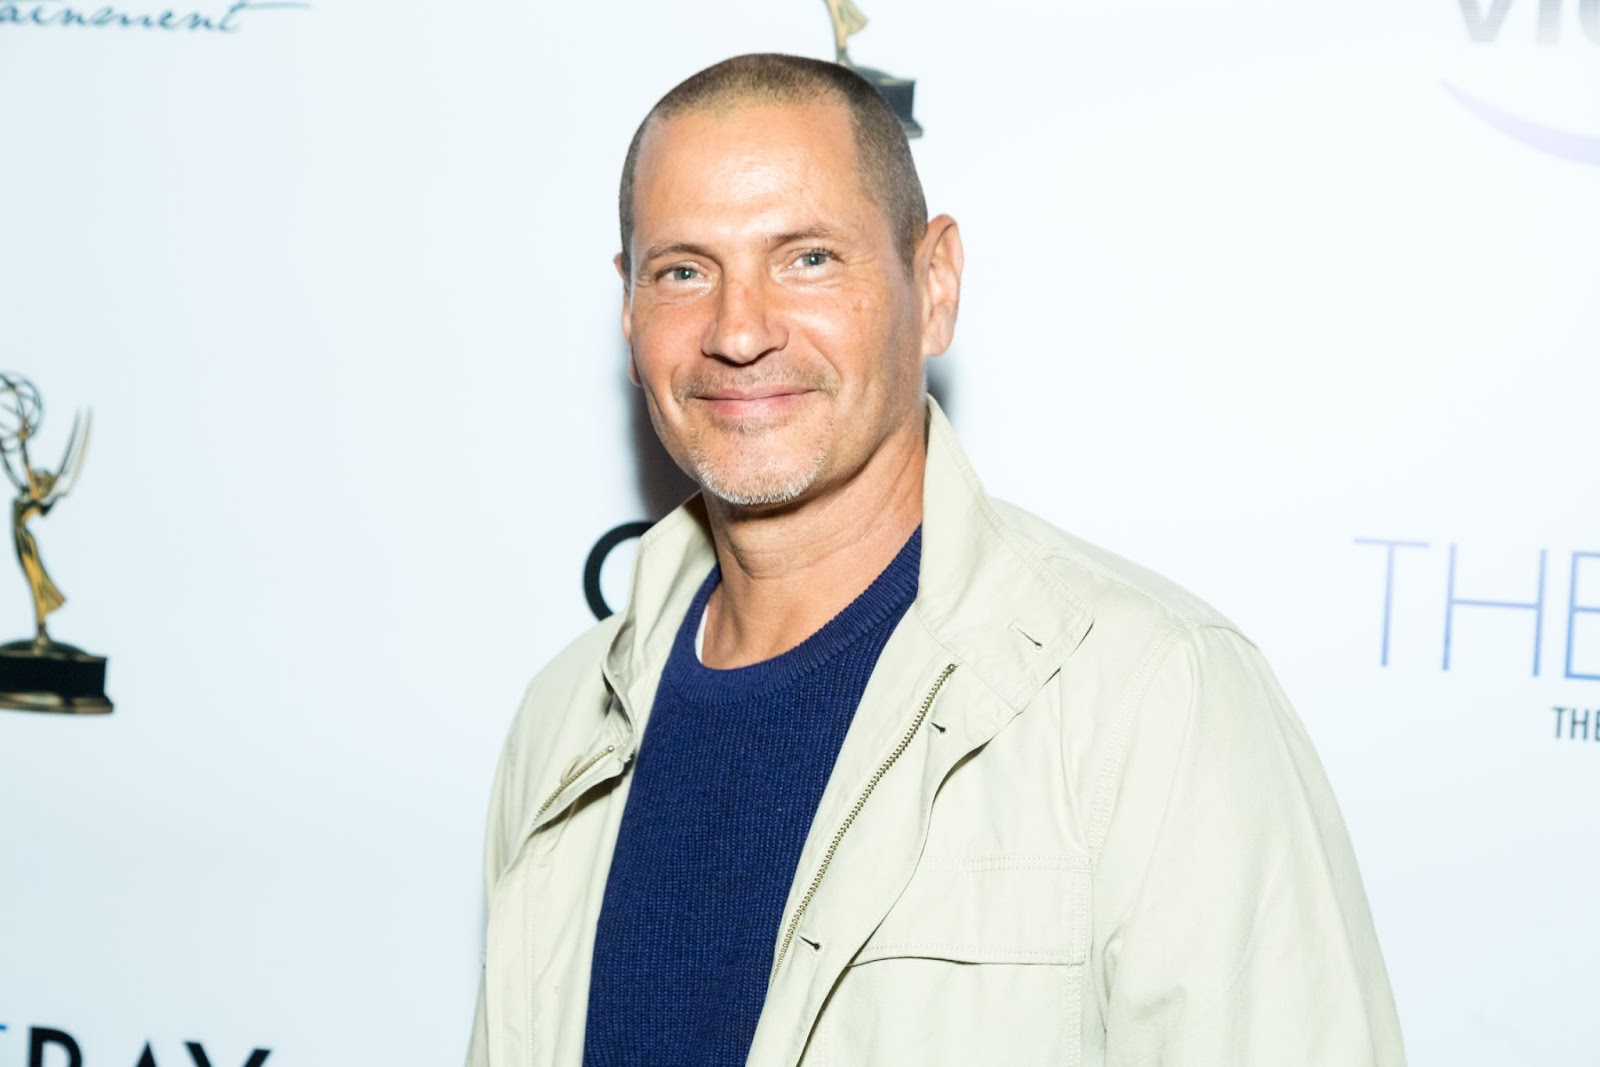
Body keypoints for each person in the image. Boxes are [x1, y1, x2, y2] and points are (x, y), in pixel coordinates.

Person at [467, 52, 1406, 1067]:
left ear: (935, 281)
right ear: (629, 306)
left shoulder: (1152, 698)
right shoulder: (568, 723)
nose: (737, 330)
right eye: (684, 270)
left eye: (807, 258)